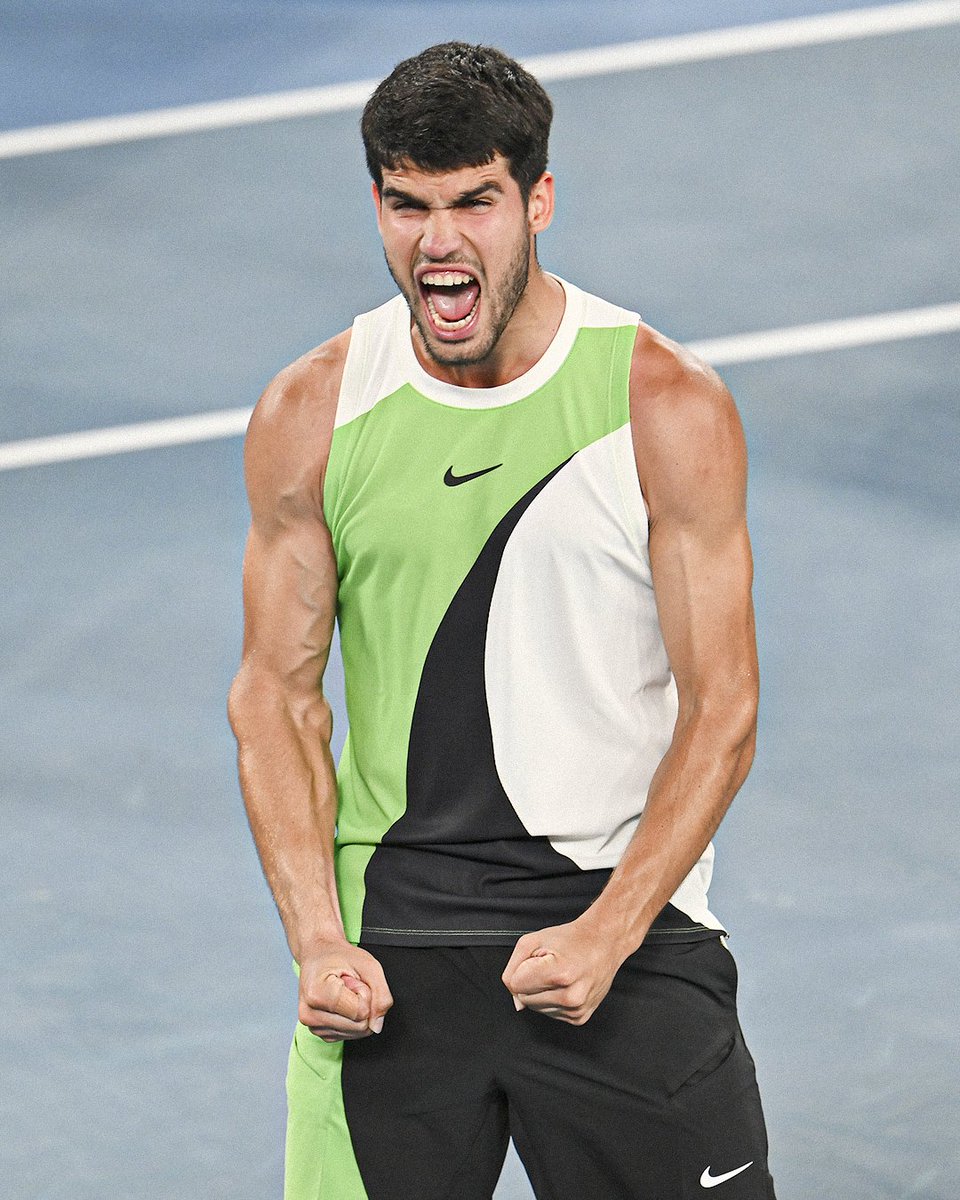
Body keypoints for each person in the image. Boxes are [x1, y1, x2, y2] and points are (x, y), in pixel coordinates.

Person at [228, 41, 776, 1200]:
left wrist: (612, 927)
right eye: (406, 205)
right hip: (393, 944)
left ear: (538, 201)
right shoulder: (313, 410)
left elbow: (722, 706)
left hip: (622, 918)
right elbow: (274, 698)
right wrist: (317, 939)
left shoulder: (663, 403)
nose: (438, 243)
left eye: (474, 202)